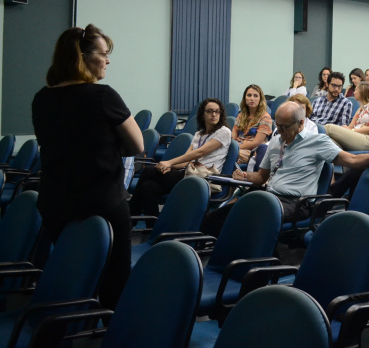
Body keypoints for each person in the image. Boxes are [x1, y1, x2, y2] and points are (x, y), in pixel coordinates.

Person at [32, 24, 144, 309]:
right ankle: (112, 331)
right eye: (103, 54)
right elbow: (137, 145)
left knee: (73, 271)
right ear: (81, 56)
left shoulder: (42, 98)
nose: (107, 60)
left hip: (57, 203)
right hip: (102, 201)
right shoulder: (103, 95)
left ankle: (68, 326)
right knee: (115, 279)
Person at [202, 102, 369, 234]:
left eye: (286, 127)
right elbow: (260, 177)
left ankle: (261, 262)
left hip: (296, 203)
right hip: (268, 194)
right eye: (278, 126)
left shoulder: (318, 142)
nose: (280, 131)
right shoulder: (276, 142)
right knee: (216, 218)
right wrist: (245, 175)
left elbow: (352, 161)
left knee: (255, 214)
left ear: (301, 123)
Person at [130, 98, 232, 221]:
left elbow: (199, 152)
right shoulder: (199, 134)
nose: (214, 114)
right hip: (189, 173)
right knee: (148, 187)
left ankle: (131, 214)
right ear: (202, 114)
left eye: (217, 111)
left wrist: (170, 162)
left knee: (149, 172)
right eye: (210, 111)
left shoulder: (224, 132)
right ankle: (153, 226)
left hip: (205, 178)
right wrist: (169, 166)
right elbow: (185, 161)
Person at [325, 81, 369, 151]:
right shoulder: (361, 109)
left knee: (328, 127)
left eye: (356, 90)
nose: (354, 92)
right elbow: (350, 127)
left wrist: (352, 130)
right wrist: (345, 128)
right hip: (358, 137)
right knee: (330, 141)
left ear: (362, 91)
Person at [231, 84, 273, 166]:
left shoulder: (265, 117)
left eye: (255, 96)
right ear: (245, 98)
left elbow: (256, 143)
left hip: (251, 151)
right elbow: (233, 136)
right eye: (249, 95)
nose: (252, 98)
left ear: (260, 99)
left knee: (226, 154)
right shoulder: (241, 115)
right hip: (237, 147)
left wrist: (235, 148)